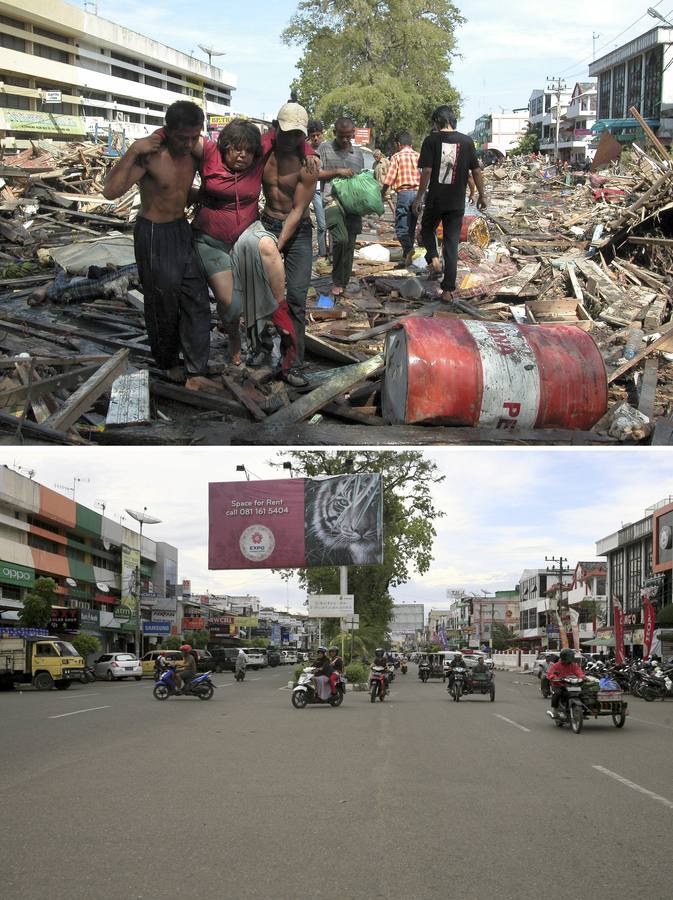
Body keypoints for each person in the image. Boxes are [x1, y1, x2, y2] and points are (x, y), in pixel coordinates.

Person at [103, 101, 216, 392]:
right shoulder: (150, 154)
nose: (189, 143)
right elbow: (111, 191)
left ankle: (196, 369)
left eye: (194, 136)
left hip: (181, 229)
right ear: (168, 130)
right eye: (182, 137)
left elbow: (179, 188)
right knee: (162, 302)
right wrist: (133, 150)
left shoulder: (195, 151)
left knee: (197, 297)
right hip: (154, 232)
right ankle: (167, 362)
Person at [232, 100, 318, 387]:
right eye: (288, 132)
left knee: (295, 298)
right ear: (276, 129)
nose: (293, 139)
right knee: (258, 293)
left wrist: (278, 245)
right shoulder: (263, 154)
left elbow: (297, 210)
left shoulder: (308, 165)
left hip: (298, 232)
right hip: (265, 224)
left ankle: (292, 363)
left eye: (299, 134)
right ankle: (261, 346)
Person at [412, 105, 487, 301]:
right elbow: (476, 171)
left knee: (426, 229)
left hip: (436, 199)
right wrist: (482, 195)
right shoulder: (467, 141)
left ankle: (433, 258)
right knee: (452, 243)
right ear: (452, 120)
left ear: (437, 121)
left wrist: (419, 197)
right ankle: (447, 290)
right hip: (456, 202)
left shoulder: (430, 141)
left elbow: (426, 171)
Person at [319, 117, 365, 297]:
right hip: (332, 201)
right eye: (341, 137)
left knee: (350, 244)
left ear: (353, 134)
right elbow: (315, 174)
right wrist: (338, 171)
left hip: (353, 204)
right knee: (340, 239)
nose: (345, 140)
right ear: (334, 133)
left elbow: (360, 180)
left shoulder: (358, 154)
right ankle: (337, 279)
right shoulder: (324, 148)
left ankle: (343, 282)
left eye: (348, 137)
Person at [381, 131, 420, 267]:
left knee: (401, 228)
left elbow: (390, 178)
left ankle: (409, 250)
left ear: (399, 144)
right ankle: (406, 258)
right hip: (418, 195)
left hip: (404, 194)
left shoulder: (397, 157)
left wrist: (382, 193)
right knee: (411, 227)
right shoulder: (418, 156)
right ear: (410, 143)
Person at [308, 119, 327, 258]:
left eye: (318, 135)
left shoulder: (327, 149)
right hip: (314, 191)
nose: (316, 138)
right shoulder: (306, 150)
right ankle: (322, 253)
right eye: (313, 135)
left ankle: (330, 253)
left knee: (331, 223)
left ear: (322, 134)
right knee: (321, 224)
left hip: (328, 190)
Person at [547, 647, 585, 717]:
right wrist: (553, 677)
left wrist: (582, 677)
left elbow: (579, 672)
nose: (570, 659)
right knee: (557, 694)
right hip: (558, 684)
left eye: (571, 657)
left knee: (581, 693)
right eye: (568, 657)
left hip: (571, 684)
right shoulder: (556, 665)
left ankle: (579, 709)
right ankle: (555, 709)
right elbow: (550, 673)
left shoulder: (573, 665)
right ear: (563, 657)